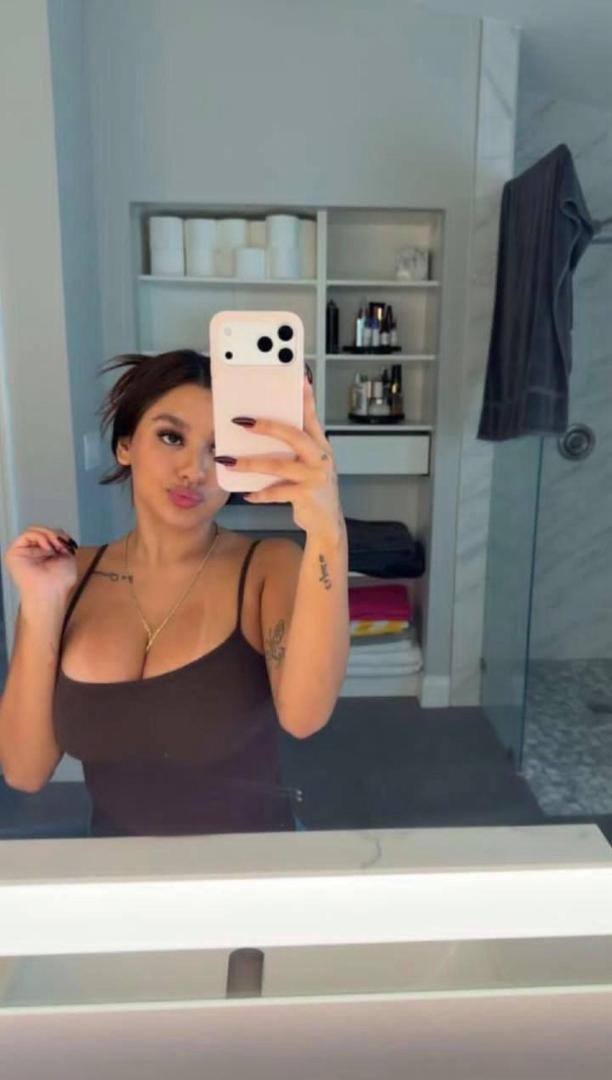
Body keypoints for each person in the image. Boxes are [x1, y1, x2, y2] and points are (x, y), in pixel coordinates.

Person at [0, 350, 350, 836]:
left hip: (251, 868)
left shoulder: (269, 567)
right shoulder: (67, 578)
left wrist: (328, 531)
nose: (194, 469)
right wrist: (41, 605)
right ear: (125, 445)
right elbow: (24, 770)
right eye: (171, 437)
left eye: (220, 450)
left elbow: (305, 717)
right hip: (120, 872)